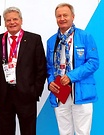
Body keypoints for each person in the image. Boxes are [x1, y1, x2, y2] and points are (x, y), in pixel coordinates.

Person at [0, 7, 46, 135]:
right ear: (5, 22)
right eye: (8, 20)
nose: (12, 22)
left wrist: (35, 92)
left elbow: (41, 68)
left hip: (26, 95)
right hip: (3, 95)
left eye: (15, 19)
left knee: (28, 131)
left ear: (21, 20)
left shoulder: (34, 39)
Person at [46, 3, 99, 135]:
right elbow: (49, 66)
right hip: (60, 92)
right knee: (64, 132)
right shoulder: (51, 41)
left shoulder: (85, 36)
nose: (62, 18)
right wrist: (51, 82)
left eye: (65, 15)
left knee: (82, 132)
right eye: (59, 16)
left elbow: (93, 62)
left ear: (73, 17)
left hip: (81, 91)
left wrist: (71, 76)